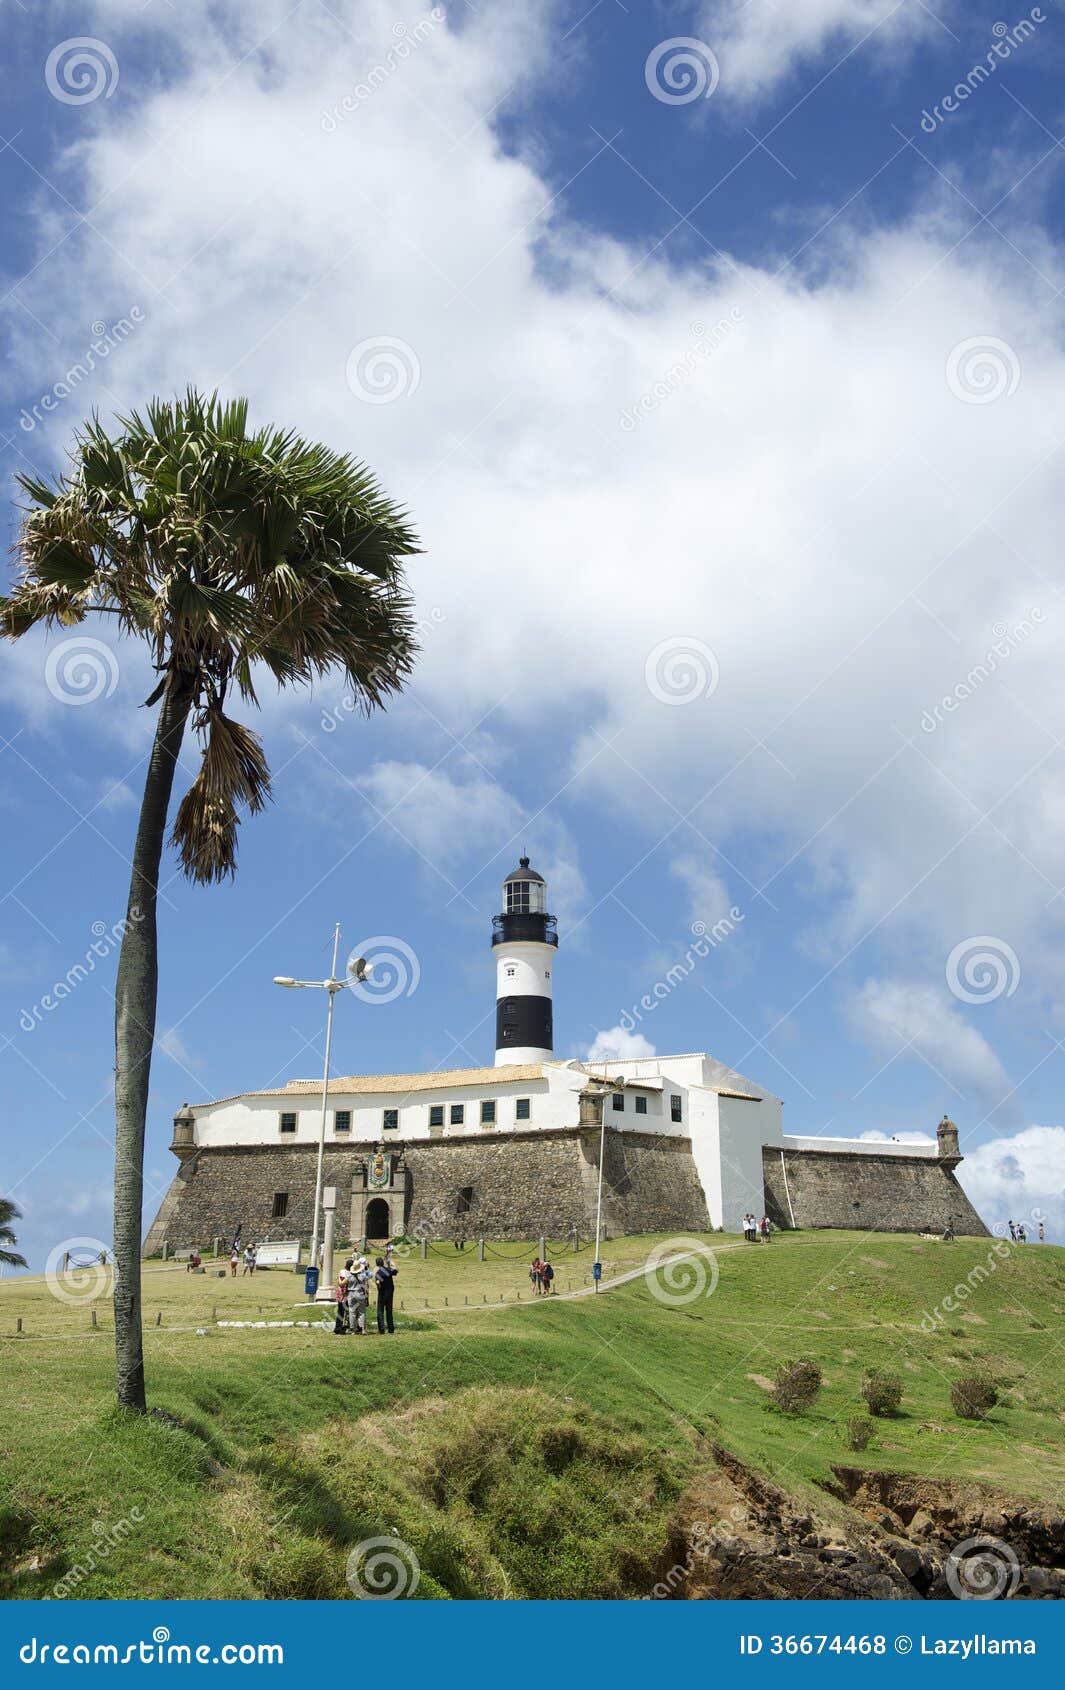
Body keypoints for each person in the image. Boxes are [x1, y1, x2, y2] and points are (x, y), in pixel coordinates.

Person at [375, 1256, 398, 1333]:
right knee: (389, 1311)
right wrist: (391, 1261)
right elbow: (396, 1270)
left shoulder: (378, 1273)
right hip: (390, 1293)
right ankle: (391, 1329)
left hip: (382, 1293)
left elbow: (378, 1282)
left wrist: (379, 1287)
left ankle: (381, 1329)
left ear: (377, 1264)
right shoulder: (388, 1270)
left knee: (380, 1311)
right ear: (383, 1263)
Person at [348, 1260, 369, 1335]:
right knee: (362, 1311)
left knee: (352, 1311)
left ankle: (353, 1330)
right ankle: (363, 1329)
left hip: (351, 1293)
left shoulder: (349, 1276)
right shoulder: (362, 1276)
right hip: (360, 1293)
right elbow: (367, 1283)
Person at [334, 1264, 350, 1334]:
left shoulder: (342, 1271)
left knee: (339, 1312)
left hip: (340, 1294)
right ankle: (343, 1328)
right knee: (346, 1313)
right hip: (346, 1294)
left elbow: (340, 1282)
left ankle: (337, 1327)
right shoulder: (350, 1274)